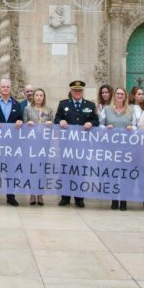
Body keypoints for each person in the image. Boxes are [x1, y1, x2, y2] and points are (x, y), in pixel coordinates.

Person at [55, 80, 99, 208]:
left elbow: (95, 120)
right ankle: (65, 197)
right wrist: (61, 120)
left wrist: (91, 123)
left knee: (80, 171)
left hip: (82, 146)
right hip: (67, 145)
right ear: (71, 91)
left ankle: (79, 198)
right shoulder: (63, 104)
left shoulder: (90, 105)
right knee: (66, 171)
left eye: (80, 90)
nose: (77, 93)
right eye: (75, 90)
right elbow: (57, 118)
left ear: (82, 91)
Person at [0, 78, 23, 207]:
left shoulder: (16, 104)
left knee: (11, 170)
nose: (5, 89)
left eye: (7, 87)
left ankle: (11, 196)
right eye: (3, 87)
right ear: (0, 88)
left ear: (10, 88)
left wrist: (20, 122)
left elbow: (20, 120)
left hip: (12, 144)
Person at [101, 87, 134, 211]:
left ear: (125, 96)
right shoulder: (106, 109)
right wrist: (105, 127)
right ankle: (114, 200)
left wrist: (132, 127)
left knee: (124, 174)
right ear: (114, 96)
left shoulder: (131, 110)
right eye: (118, 94)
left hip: (126, 148)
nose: (120, 96)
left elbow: (136, 126)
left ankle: (124, 200)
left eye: (122, 94)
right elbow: (100, 124)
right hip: (111, 148)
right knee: (113, 174)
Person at [23, 87, 53, 206]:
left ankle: (40, 194)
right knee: (32, 168)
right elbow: (24, 125)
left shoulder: (49, 110)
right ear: (33, 97)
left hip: (44, 144)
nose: (39, 97)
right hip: (31, 145)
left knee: (42, 169)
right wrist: (27, 124)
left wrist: (50, 124)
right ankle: (32, 194)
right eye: (37, 95)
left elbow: (53, 127)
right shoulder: (27, 109)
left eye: (41, 95)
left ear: (44, 97)